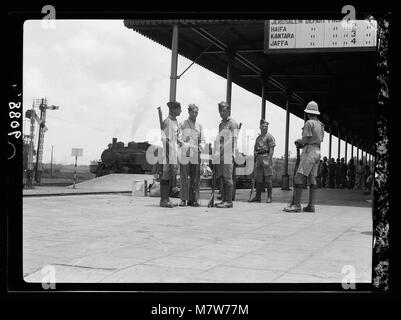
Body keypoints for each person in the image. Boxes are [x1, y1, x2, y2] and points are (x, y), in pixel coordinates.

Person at [284, 101, 324, 213]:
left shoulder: (309, 123)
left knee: (299, 177)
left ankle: (296, 205)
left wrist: (299, 141)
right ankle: (311, 206)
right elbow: (319, 139)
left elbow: (305, 139)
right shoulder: (320, 125)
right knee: (312, 178)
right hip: (317, 151)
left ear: (308, 112)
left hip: (309, 151)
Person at [159, 101, 186, 208]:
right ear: (173, 109)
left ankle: (166, 199)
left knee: (170, 175)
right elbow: (166, 141)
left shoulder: (175, 121)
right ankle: (164, 200)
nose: (181, 111)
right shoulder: (168, 122)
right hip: (168, 153)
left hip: (174, 152)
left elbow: (178, 139)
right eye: (179, 108)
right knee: (166, 174)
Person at [178, 104, 206, 207]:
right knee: (184, 177)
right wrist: (187, 146)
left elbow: (203, 140)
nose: (194, 114)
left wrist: (199, 149)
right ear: (189, 112)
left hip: (196, 153)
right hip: (185, 153)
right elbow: (179, 138)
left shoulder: (200, 125)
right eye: (193, 112)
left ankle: (193, 199)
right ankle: (183, 199)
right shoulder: (182, 124)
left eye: (196, 112)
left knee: (195, 178)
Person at [213, 101, 239, 208]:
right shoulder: (221, 124)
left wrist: (221, 151)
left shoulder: (233, 123)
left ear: (228, 110)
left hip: (228, 153)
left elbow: (232, 140)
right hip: (220, 154)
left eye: (224, 110)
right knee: (222, 177)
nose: (222, 112)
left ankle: (228, 201)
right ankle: (223, 199)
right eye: (220, 110)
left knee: (228, 177)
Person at [248, 119, 276, 203]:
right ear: (260, 127)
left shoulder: (269, 137)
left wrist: (268, 159)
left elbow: (271, 149)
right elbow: (255, 149)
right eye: (263, 126)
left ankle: (269, 197)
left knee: (268, 178)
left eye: (266, 126)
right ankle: (257, 197)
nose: (264, 128)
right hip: (258, 158)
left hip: (266, 156)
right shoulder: (258, 138)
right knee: (258, 178)